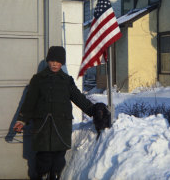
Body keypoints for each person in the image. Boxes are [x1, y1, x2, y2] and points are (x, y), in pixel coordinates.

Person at [13, 46, 105, 180]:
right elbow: (29, 102)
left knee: (58, 159)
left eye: (58, 61)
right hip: (43, 127)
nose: (54, 63)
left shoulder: (67, 80)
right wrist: (21, 120)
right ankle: (41, 175)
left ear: (62, 62)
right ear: (48, 61)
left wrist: (94, 111)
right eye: (51, 60)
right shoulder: (38, 79)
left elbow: (79, 99)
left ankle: (55, 176)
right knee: (43, 158)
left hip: (61, 126)